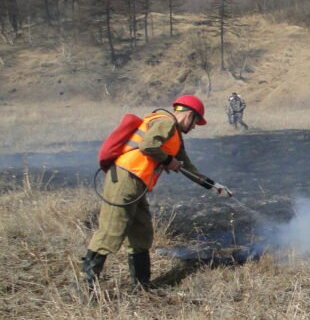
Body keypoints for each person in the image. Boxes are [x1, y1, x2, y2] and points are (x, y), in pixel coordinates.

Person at [82, 95, 233, 295]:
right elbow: (147, 146)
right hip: (125, 178)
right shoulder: (166, 122)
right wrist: (168, 160)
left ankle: (142, 287)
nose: (195, 127)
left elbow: (188, 167)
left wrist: (214, 187)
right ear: (188, 115)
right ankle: (86, 287)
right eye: (196, 121)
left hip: (136, 184)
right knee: (111, 231)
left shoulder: (175, 137)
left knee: (142, 233)